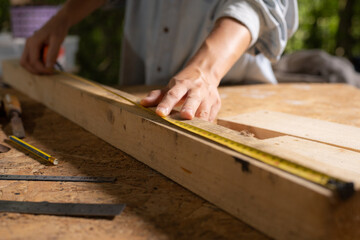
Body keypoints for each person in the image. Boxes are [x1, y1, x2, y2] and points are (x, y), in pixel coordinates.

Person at [21, 0, 298, 122]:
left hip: (234, 92)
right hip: (142, 92)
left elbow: (260, 3)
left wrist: (206, 71)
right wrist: (63, 18)